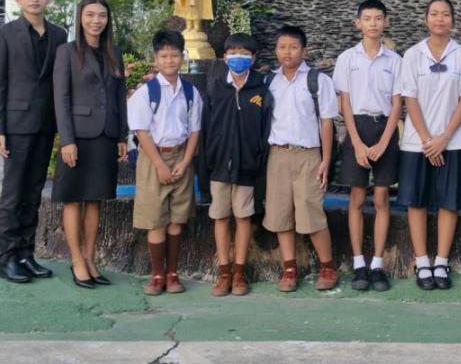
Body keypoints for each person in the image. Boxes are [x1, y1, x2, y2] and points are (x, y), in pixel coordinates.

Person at [0, 0, 68, 283]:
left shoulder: (59, 35)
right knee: (13, 194)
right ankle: (7, 258)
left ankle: (26, 254)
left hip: (46, 125)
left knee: (34, 192)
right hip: (16, 126)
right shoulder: (4, 34)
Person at [398, 0, 461, 290]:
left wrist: (443, 138)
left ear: (452, 20)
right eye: (434, 14)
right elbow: (409, 100)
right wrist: (427, 140)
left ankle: (441, 261)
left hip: (452, 141)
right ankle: (422, 262)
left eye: (445, 14)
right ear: (426, 19)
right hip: (416, 143)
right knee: (416, 201)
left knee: (449, 202)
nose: (440, 19)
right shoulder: (413, 55)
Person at [52, 0, 128, 289]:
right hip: (78, 137)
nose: (97, 21)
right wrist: (67, 140)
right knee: (73, 199)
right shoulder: (67, 52)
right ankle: (76, 260)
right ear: (81, 18)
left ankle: (90, 258)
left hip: (106, 136)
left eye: (102, 15)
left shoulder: (114, 52)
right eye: (90, 15)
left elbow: (119, 97)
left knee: (96, 199)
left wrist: (121, 135)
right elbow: (61, 98)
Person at [262, 25, 341, 292]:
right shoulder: (269, 82)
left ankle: (328, 267)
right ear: (276, 50)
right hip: (277, 155)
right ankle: (289, 269)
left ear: (304, 51)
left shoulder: (318, 81)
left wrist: (325, 160)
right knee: (280, 214)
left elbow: (327, 123)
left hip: (308, 156)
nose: (287, 52)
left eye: (293, 47)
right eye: (282, 47)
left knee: (312, 213)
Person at [333, 0, 403, 292]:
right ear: (358, 23)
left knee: (382, 198)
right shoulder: (347, 59)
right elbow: (345, 104)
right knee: (357, 198)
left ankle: (377, 264)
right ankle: (359, 263)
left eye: (378, 18)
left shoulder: (395, 61)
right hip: (357, 129)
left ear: (386, 22)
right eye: (367, 18)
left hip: (385, 128)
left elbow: (397, 104)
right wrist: (358, 144)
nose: (373, 23)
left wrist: (384, 141)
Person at [127, 30, 203, 296]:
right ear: (155, 59)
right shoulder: (145, 93)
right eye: (164, 56)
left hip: (181, 157)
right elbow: (141, 132)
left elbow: (195, 130)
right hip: (153, 159)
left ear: (182, 57)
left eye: (174, 55)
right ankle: (157, 275)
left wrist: (186, 160)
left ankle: (173, 273)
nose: (169, 61)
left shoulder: (191, 92)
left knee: (177, 219)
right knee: (156, 220)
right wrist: (159, 164)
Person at [198, 33, 272, 297]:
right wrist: (206, 166)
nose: (237, 57)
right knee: (220, 217)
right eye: (232, 52)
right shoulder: (215, 88)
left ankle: (239, 273)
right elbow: (205, 129)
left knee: (243, 217)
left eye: (244, 53)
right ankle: (223, 272)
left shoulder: (261, 90)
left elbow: (266, 132)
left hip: (247, 167)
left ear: (253, 58)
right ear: (225, 56)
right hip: (218, 166)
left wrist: (258, 163)